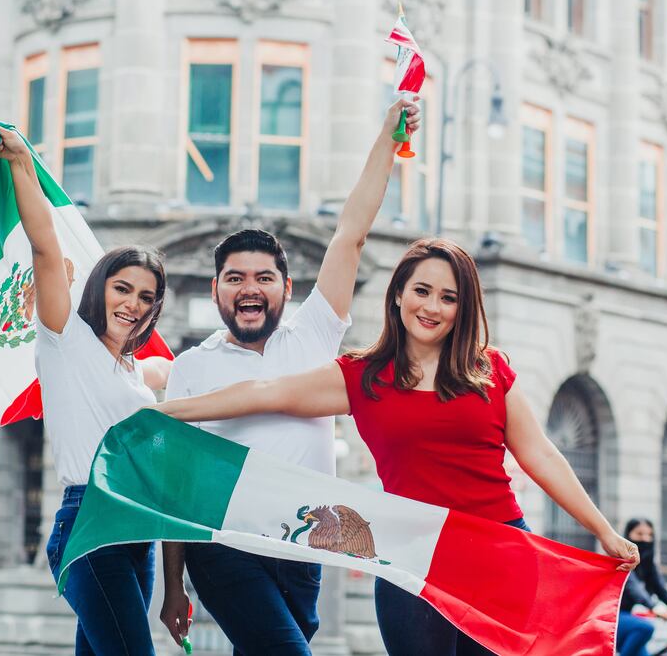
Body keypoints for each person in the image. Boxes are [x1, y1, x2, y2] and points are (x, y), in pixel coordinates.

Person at [157, 237, 638, 656]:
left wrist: (604, 531)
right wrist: (162, 414)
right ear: (399, 296)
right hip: (414, 555)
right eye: (422, 291)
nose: (432, 307)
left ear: (463, 307)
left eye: (448, 297)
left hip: (500, 554)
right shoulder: (363, 376)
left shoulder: (490, 370)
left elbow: (542, 456)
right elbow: (264, 393)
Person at [158, 98, 421, 655]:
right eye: (234, 278)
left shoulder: (312, 338)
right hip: (224, 543)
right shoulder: (191, 368)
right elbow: (176, 487)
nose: (249, 287)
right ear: (216, 291)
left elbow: (351, 234)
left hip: (306, 546)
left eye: (263, 277)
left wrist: (386, 141)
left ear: (286, 288)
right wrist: (173, 582)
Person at [0, 124, 171, 656]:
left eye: (146, 296)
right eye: (123, 288)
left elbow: (191, 381)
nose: (133, 304)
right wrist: (23, 164)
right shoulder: (66, 339)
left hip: (138, 534)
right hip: (90, 521)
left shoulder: (138, 374)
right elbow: (46, 248)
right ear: (100, 288)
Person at [618, 517, 667, 656]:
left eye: (649, 535)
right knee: (645, 628)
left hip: (626, 618)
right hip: (610, 616)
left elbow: (663, 592)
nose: (645, 539)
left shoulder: (648, 564)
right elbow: (634, 587)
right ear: (628, 535)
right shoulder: (620, 560)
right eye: (639, 534)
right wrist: (654, 606)